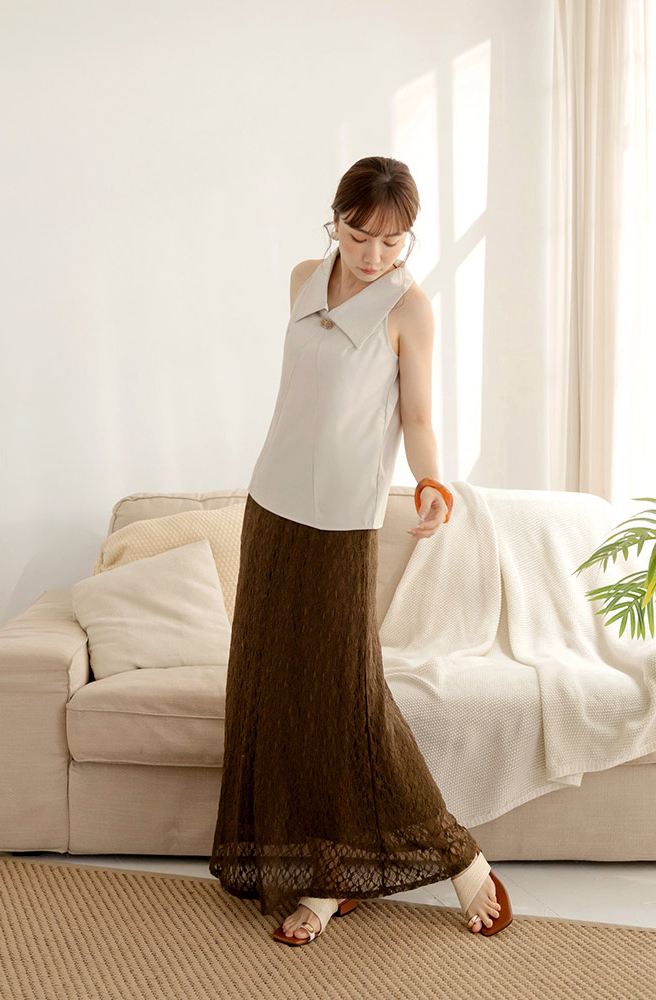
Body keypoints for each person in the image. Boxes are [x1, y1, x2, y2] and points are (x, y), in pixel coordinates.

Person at [208, 156, 512, 944]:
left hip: (342, 523)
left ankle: (462, 860)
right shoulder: (302, 280)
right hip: (270, 507)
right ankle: (324, 877)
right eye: (358, 235)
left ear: (409, 240)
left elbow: (416, 419)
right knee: (272, 690)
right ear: (335, 221)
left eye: (393, 241)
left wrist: (433, 482)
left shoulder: (410, 309)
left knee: (346, 699)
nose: (374, 255)